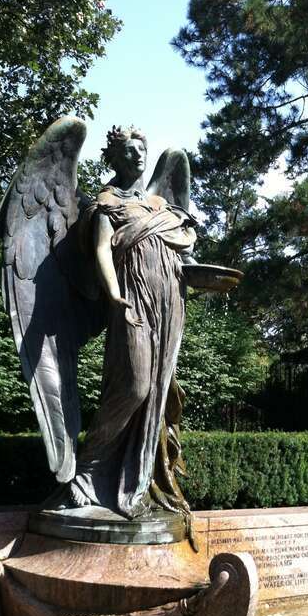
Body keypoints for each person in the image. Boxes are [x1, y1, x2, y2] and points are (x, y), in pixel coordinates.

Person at [67, 126, 197, 519]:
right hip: (131, 302)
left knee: (156, 389)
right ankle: (86, 470)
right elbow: (103, 251)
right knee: (137, 386)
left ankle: (136, 478)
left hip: (169, 304)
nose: (138, 155)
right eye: (129, 150)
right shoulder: (106, 204)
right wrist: (112, 291)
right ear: (115, 158)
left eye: (142, 148)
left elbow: (186, 250)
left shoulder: (160, 206)